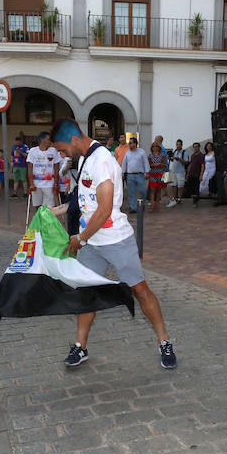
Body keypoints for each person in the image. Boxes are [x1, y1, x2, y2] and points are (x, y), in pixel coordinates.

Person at [49, 118, 176, 369]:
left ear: (74, 139)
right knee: (85, 293)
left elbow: (105, 209)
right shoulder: (84, 158)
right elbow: (83, 200)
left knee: (139, 290)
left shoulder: (102, 161)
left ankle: (165, 341)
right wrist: (57, 210)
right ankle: (80, 346)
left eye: (62, 149)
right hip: (91, 242)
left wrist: (80, 238)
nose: (62, 154)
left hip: (116, 240)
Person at [26, 131, 60, 211]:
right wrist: (31, 184)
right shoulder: (33, 151)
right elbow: (30, 168)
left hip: (49, 184)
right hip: (36, 184)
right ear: (42, 140)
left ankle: (46, 222)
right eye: (49, 139)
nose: (50, 141)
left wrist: (56, 183)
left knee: (49, 207)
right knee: (38, 206)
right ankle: (40, 221)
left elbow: (56, 168)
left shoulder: (53, 151)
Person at [121, 137, 148, 213]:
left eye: (130, 143)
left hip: (140, 174)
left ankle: (141, 204)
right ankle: (133, 207)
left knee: (142, 191)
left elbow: (145, 162)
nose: (129, 144)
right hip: (130, 175)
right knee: (131, 192)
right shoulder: (127, 153)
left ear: (135, 144)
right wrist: (122, 172)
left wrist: (147, 172)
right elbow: (124, 163)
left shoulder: (142, 152)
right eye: (129, 143)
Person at [166, 139, 188, 207]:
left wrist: (179, 159)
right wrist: (170, 159)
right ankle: (175, 198)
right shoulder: (175, 151)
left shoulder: (184, 152)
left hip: (181, 171)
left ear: (181, 145)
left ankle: (180, 198)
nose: (178, 146)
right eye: (177, 144)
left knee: (180, 186)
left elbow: (186, 162)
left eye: (179, 144)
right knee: (174, 185)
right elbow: (174, 161)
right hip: (174, 171)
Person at [146, 142, 167, 212]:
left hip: (160, 174)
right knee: (152, 190)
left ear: (159, 147)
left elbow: (165, 164)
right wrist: (154, 165)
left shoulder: (162, 155)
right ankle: (152, 205)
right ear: (152, 148)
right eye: (153, 146)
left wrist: (160, 164)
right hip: (153, 174)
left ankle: (157, 205)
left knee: (158, 190)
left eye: (156, 146)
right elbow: (148, 165)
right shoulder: (150, 155)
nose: (155, 147)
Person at [185, 142, 204, 206]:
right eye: (194, 147)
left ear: (199, 147)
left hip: (197, 174)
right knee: (192, 188)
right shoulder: (192, 155)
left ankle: (196, 201)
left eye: (196, 147)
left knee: (196, 188)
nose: (195, 148)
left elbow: (202, 166)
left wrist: (201, 175)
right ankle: (194, 200)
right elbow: (191, 164)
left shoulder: (201, 155)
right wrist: (187, 173)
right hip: (191, 174)